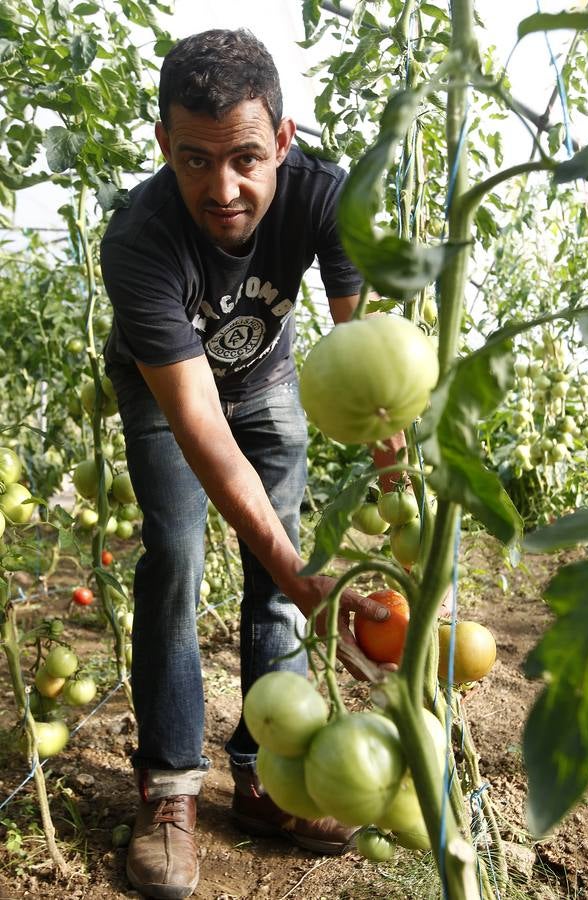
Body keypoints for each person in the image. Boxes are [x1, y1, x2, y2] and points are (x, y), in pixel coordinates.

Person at [100, 28, 397, 900]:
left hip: (266, 377)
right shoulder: (139, 240)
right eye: (194, 161)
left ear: (286, 141)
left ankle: (267, 776)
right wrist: (308, 576)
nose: (221, 189)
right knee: (178, 560)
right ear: (163, 145)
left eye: (246, 159)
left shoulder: (325, 197)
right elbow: (196, 421)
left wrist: (400, 480)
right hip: (168, 394)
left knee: (280, 574)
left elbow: (362, 347)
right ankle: (170, 790)